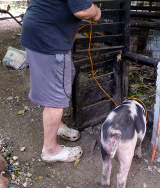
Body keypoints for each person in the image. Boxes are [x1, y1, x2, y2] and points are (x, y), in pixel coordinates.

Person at [20, 0, 101, 162]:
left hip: (38, 34)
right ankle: (50, 150)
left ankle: (57, 126)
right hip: (49, 39)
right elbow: (82, 10)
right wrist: (96, 12)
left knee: (66, 74)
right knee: (56, 96)